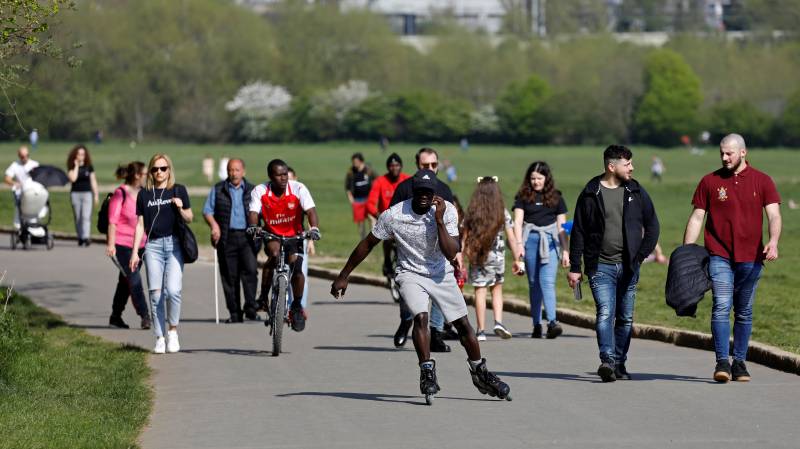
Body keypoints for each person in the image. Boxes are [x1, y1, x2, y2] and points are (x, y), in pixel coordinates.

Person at [330, 169, 511, 402]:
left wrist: (438, 220)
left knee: (463, 324)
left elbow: (451, 251)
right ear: (413, 191)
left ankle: (479, 372)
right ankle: (427, 370)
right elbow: (368, 243)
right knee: (421, 317)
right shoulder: (394, 215)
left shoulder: (446, 211)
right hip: (410, 273)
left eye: (429, 192)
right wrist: (344, 275)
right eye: (420, 192)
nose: (424, 196)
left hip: (441, 273)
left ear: (434, 192)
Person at [683, 133, 781, 383]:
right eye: (721, 154)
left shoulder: (763, 181)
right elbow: (697, 217)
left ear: (743, 152)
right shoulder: (710, 181)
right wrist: (686, 253)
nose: (724, 158)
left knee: (744, 311)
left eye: (729, 153)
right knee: (721, 307)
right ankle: (722, 362)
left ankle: (740, 362)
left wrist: (773, 241)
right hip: (719, 255)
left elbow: (774, 215)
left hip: (751, 258)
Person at [568, 145, 659, 382]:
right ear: (612, 166)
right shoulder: (590, 193)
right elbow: (578, 231)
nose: (632, 168)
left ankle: (620, 362)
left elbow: (653, 226)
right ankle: (607, 360)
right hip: (600, 266)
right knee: (606, 312)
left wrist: (639, 257)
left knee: (626, 317)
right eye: (627, 163)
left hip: (629, 266)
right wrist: (576, 268)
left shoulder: (636, 191)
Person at [389, 147, 455, 352]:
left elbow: (452, 225)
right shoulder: (404, 189)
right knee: (409, 292)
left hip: (436, 254)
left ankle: (435, 333)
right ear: (417, 165)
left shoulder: (444, 190)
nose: (431, 168)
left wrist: (457, 254)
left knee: (437, 293)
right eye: (426, 165)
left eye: (434, 165)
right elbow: (390, 220)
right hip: (408, 254)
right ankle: (405, 322)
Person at [130, 154, 193, 354]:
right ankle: (159, 336)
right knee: (155, 294)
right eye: (155, 169)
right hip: (153, 247)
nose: (159, 172)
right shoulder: (144, 194)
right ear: (150, 172)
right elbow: (140, 225)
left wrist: (180, 208)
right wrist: (134, 253)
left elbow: (190, 218)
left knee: (173, 290)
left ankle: (172, 331)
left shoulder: (178, 189)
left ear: (169, 169)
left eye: (163, 168)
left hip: (174, 244)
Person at [248, 159, 320, 332]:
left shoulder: (298, 188)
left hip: (294, 235)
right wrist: (253, 226)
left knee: (296, 265)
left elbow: (310, 210)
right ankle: (264, 296)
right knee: (273, 254)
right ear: (270, 177)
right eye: (279, 175)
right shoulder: (260, 190)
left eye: (285, 174)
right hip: (272, 234)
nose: (283, 178)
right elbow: (253, 213)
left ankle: (296, 306)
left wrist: (314, 228)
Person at [513, 161, 570, 339]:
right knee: (533, 283)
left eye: (539, 178)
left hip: (550, 241)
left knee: (547, 282)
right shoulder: (522, 196)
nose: (536, 182)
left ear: (547, 178)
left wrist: (565, 251)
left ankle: (552, 322)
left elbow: (562, 226)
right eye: (532, 178)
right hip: (529, 239)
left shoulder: (557, 197)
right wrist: (519, 245)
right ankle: (536, 324)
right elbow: (517, 222)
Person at [203, 158, 260, 323]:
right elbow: (207, 211)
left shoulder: (253, 190)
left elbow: (262, 212)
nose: (233, 173)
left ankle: (251, 310)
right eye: (230, 170)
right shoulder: (219, 189)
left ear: (243, 171)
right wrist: (214, 226)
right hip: (226, 237)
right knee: (229, 276)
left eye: (236, 170)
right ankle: (235, 313)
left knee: (250, 272)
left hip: (248, 237)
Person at [463, 176, 518, 341]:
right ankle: (498, 322)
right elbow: (513, 239)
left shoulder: (473, 212)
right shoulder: (502, 211)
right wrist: (518, 259)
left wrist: (462, 255)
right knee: (496, 289)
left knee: (480, 291)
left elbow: (464, 236)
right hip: (497, 258)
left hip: (478, 257)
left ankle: (480, 331)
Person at [106, 161, 150, 330]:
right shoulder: (120, 193)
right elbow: (112, 222)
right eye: (145, 174)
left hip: (141, 244)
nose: (148, 176)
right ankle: (145, 315)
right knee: (134, 279)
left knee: (125, 282)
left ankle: (115, 317)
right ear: (138, 175)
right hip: (123, 244)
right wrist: (111, 244)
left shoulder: (144, 193)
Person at [366, 153, 410, 278]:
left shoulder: (407, 180)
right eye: (391, 165)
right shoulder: (380, 182)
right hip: (388, 221)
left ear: (401, 166)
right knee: (388, 238)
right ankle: (387, 261)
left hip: (405, 220)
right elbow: (370, 204)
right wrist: (378, 215)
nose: (394, 168)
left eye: (397, 165)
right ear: (388, 167)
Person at [287, 166, 314, 309]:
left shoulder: (300, 193)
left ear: (296, 179)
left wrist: (310, 241)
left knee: (300, 273)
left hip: (298, 238)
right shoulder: (279, 194)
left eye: (291, 179)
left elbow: (310, 214)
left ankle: (299, 308)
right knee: (281, 272)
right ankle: (282, 306)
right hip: (281, 238)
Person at [66, 144, 99, 247]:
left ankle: (86, 237)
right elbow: (73, 179)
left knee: (86, 216)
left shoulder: (89, 167)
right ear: (75, 155)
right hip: (75, 194)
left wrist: (96, 195)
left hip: (87, 194)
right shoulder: (71, 167)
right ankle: (80, 237)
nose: (81, 156)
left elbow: (93, 181)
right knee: (78, 217)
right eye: (79, 154)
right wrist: (76, 165)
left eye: (83, 154)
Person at [4, 145, 39, 229]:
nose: (25, 158)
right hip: (20, 193)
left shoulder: (34, 164)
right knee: (20, 209)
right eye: (23, 156)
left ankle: (33, 224)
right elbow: (7, 178)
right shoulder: (15, 165)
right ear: (19, 156)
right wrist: (15, 183)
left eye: (27, 155)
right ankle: (19, 226)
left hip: (32, 191)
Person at [344, 152, 375, 239]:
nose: (354, 164)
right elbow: (348, 188)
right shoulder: (351, 172)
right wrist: (351, 200)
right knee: (360, 222)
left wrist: (374, 196)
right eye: (353, 162)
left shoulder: (369, 170)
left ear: (361, 161)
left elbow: (377, 181)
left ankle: (373, 238)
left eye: (356, 162)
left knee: (372, 218)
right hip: (357, 200)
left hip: (369, 199)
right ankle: (363, 240)